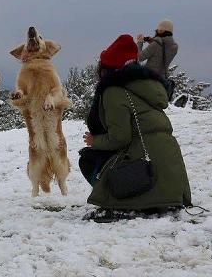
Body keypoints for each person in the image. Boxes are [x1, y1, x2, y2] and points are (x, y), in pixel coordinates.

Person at [80, 34, 192, 222]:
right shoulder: (146, 87)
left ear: (106, 68)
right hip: (175, 183)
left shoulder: (114, 91)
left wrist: (95, 141)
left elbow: (120, 138)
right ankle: (146, 198)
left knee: (89, 159)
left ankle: (121, 201)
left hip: (149, 172)